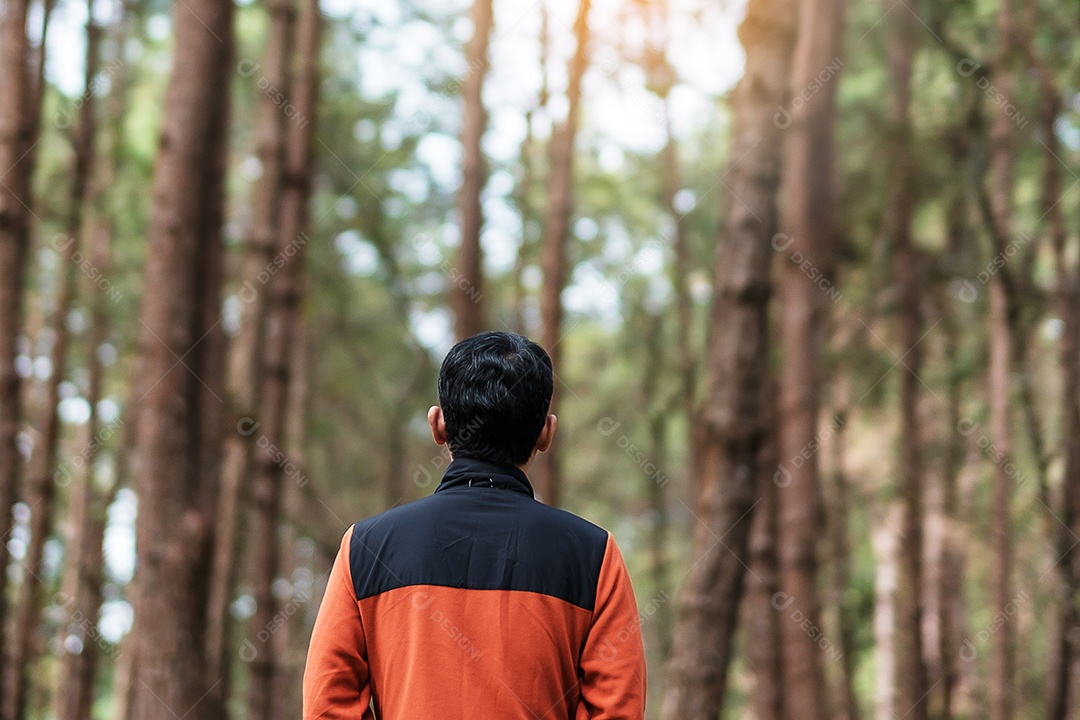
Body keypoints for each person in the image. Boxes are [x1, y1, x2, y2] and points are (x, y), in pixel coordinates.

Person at [302, 331, 646, 719]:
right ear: (546, 433)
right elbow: (617, 711)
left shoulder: (365, 548)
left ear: (438, 425)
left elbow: (326, 706)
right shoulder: (593, 554)